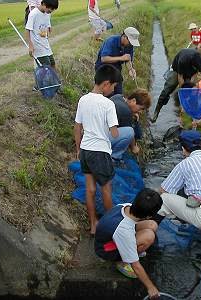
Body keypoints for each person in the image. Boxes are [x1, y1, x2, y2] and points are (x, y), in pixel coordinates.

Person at [74, 64, 123, 235]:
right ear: (106, 84)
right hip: (100, 152)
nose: (113, 89)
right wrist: (117, 128)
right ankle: (110, 229)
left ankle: (94, 225)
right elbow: (115, 133)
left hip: (86, 150)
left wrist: (78, 148)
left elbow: (77, 127)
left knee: (90, 189)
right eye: (113, 86)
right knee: (106, 189)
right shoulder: (108, 104)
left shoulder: (83, 99)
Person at [95, 188, 162, 299]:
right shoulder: (123, 230)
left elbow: (135, 222)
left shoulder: (125, 206)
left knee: (152, 225)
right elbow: (136, 266)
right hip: (106, 250)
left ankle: (131, 250)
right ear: (148, 215)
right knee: (149, 236)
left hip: (112, 236)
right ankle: (122, 262)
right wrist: (151, 287)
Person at [151, 48, 201, 123]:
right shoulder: (183, 59)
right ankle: (157, 110)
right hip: (177, 70)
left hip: (189, 71)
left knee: (193, 91)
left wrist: (190, 88)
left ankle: (192, 114)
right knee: (169, 87)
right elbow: (180, 77)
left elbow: (194, 75)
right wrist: (183, 92)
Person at [95, 27, 140, 96]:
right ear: (124, 37)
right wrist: (121, 58)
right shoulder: (111, 41)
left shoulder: (129, 46)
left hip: (116, 69)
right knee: (107, 93)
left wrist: (130, 69)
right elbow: (104, 58)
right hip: (103, 69)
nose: (131, 44)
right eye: (130, 41)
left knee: (118, 93)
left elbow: (127, 59)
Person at [109, 89, 151, 161]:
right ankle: (114, 157)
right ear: (133, 101)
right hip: (99, 139)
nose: (140, 112)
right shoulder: (126, 112)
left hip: (93, 133)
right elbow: (132, 135)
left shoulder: (118, 97)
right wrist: (134, 148)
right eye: (141, 108)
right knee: (129, 132)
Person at [25, 0, 59, 69]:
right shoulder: (33, 14)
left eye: (53, 9)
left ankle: (54, 79)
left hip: (46, 45)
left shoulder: (47, 14)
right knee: (46, 67)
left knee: (53, 64)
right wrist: (30, 45)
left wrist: (49, 27)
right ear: (43, 3)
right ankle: (45, 79)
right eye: (50, 8)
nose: (51, 10)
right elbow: (27, 30)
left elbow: (47, 24)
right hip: (38, 46)